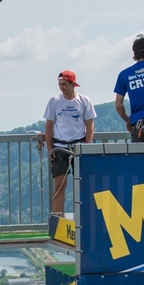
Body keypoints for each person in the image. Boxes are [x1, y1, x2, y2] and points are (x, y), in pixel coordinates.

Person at [44, 69, 95, 212]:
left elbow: (90, 125)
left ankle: (85, 217)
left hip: (79, 146)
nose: (61, 87)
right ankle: (58, 217)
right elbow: (48, 126)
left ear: (73, 84)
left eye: (64, 84)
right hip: (60, 147)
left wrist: (87, 146)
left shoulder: (84, 101)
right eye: (60, 84)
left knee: (84, 184)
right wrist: (50, 148)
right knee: (60, 184)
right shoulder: (55, 101)